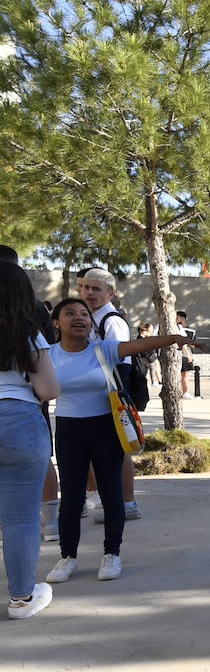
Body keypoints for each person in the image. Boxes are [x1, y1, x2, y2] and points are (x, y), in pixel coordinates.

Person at [45, 297, 203, 583]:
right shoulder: (48, 355)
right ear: (56, 322)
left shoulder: (103, 349)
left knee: (111, 493)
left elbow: (140, 345)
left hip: (106, 427)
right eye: (70, 313)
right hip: (69, 430)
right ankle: (67, 557)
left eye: (84, 314)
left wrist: (175, 338)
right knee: (71, 498)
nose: (79, 318)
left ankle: (111, 553)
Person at [0, 261, 60, 618]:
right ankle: (21, 599)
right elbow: (49, 390)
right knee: (19, 519)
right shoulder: (28, 335)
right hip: (19, 420)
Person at [81, 269, 141, 522]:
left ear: (110, 293)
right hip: (95, 393)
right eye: (86, 288)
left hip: (111, 393)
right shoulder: (92, 317)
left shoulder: (111, 321)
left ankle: (127, 504)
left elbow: (117, 358)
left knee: (119, 449)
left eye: (96, 289)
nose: (89, 293)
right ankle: (114, 502)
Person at [174, 308, 194, 398]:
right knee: (182, 374)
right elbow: (183, 343)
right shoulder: (176, 327)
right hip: (179, 354)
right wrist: (188, 354)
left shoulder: (179, 327)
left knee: (183, 374)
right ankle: (183, 392)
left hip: (181, 353)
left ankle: (183, 391)